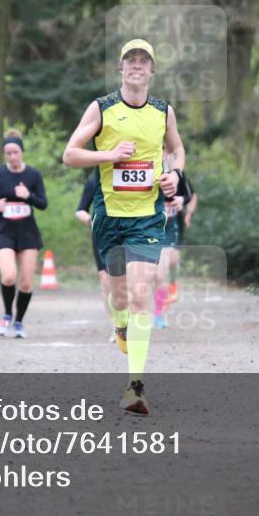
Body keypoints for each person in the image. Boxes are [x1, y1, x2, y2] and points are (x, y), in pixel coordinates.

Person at [63, 38, 185, 415]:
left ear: (151, 70)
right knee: (119, 300)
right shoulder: (102, 109)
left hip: (146, 218)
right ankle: (119, 326)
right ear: (121, 68)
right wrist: (109, 155)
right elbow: (70, 154)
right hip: (108, 219)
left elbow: (177, 149)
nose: (136, 65)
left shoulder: (164, 112)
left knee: (139, 295)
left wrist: (174, 176)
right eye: (130, 60)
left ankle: (135, 388)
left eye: (143, 60)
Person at [0, 130, 47, 339]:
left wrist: (28, 195)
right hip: (3, 231)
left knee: (27, 282)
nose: (11, 156)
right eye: (7, 153)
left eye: (15, 152)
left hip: (27, 233)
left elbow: (43, 204)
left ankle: (19, 321)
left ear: (22, 152)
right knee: (9, 275)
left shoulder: (33, 175)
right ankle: (6, 314)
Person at [154, 152, 195, 329]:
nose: (165, 154)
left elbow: (190, 195)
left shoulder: (178, 175)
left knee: (161, 273)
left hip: (170, 228)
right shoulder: (148, 170)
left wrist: (181, 200)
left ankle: (158, 315)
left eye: (168, 150)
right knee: (150, 275)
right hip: (147, 228)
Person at [75, 170, 114, 341]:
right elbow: (80, 210)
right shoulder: (94, 179)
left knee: (128, 279)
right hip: (101, 234)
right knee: (106, 282)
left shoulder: (134, 175)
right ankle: (116, 326)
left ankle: (133, 318)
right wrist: (91, 220)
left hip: (129, 232)